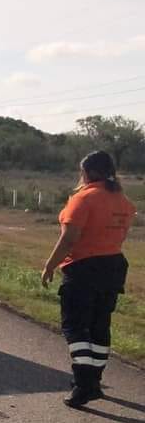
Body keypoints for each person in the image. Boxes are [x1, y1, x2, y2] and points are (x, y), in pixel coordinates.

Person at [42, 151, 136, 408]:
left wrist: (50, 265)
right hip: (113, 266)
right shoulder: (122, 200)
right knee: (99, 325)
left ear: (86, 172)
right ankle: (94, 381)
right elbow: (120, 236)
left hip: (84, 267)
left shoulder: (82, 199)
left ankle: (83, 386)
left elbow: (69, 239)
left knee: (76, 327)